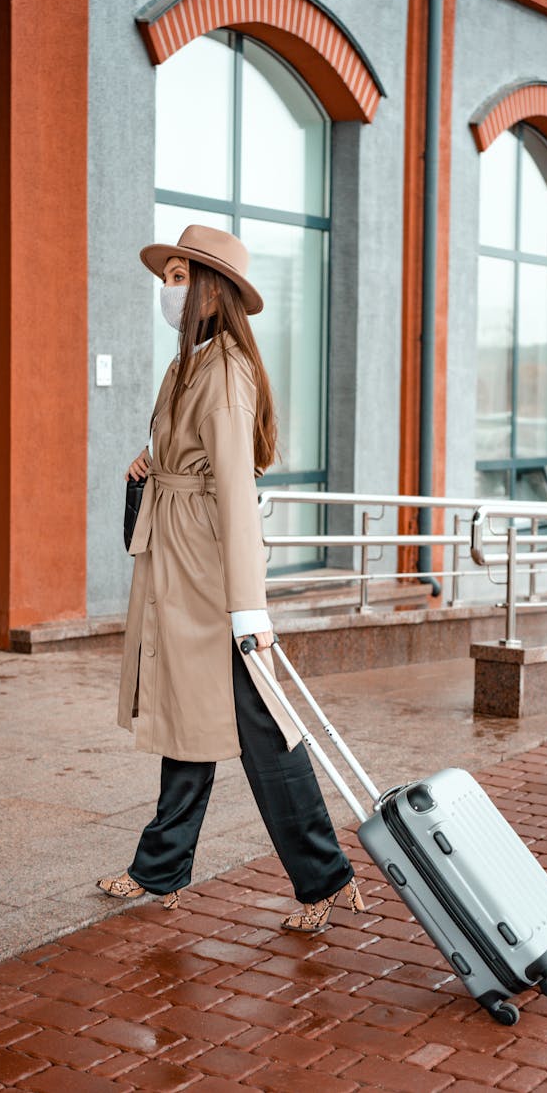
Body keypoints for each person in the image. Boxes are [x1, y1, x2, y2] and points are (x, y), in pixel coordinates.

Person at [96, 225, 363, 932]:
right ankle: (161, 869)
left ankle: (325, 877)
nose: (169, 288)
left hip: (211, 578)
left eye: (182, 275)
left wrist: (249, 608)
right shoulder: (187, 364)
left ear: (211, 289)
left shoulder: (224, 372)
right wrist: (150, 466)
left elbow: (237, 493)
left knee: (260, 727)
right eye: (169, 274)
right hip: (180, 565)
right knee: (188, 718)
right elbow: (187, 461)